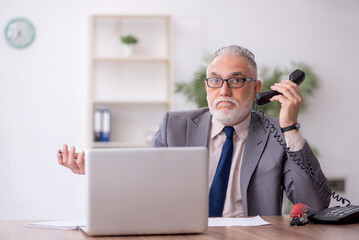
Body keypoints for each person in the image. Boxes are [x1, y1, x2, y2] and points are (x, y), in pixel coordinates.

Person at [57, 45, 330, 217]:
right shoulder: (174, 126)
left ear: (257, 88)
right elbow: (144, 185)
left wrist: (290, 128)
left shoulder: (275, 133)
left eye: (236, 80)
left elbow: (314, 204)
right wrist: (97, 171)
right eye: (215, 81)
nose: (224, 91)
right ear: (206, 86)